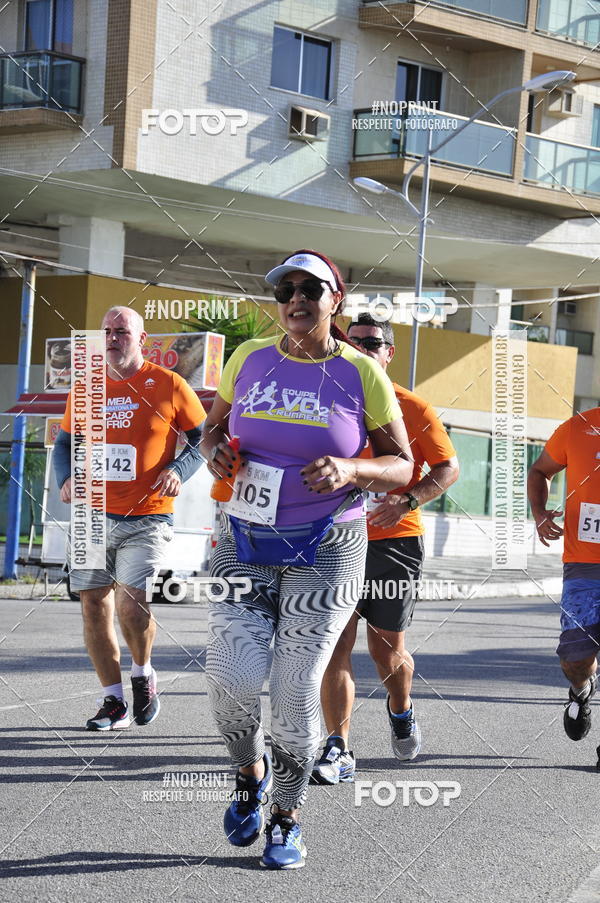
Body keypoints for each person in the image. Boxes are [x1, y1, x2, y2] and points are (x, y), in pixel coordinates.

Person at [200, 251, 414, 870]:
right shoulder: (249, 359)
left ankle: (287, 818)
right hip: (242, 538)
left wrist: (352, 468)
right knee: (231, 680)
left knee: (295, 693)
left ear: (334, 299)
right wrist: (215, 451)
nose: (296, 298)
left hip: (328, 549)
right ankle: (249, 771)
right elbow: (214, 429)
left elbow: (402, 464)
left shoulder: (359, 374)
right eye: (285, 289)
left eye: (310, 288)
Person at [313, 313, 459, 782]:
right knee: (336, 643)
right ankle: (338, 748)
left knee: (385, 652)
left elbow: (448, 467)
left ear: (388, 353)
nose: (362, 349)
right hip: (334, 538)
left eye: (372, 343)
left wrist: (408, 500)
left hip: (393, 542)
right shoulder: (325, 399)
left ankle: (401, 706)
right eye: (352, 342)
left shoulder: (412, 407)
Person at [53, 306, 206, 731]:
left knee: (130, 604)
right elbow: (64, 444)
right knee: (92, 606)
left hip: (148, 515)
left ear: (141, 340)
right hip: (91, 515)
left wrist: (178, 470)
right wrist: (66, 478)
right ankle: (113, 701)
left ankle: (143, 672)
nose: (113, 338)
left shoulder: (169, 384)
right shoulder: (85, 390)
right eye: (106, 331)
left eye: (122, 331)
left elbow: (204, 440)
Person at [528, 410, 600, 743]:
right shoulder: (578, 428)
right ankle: (581, 690)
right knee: (575, 660)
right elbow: (540, 470)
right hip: (583, 566)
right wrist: (540, 513)